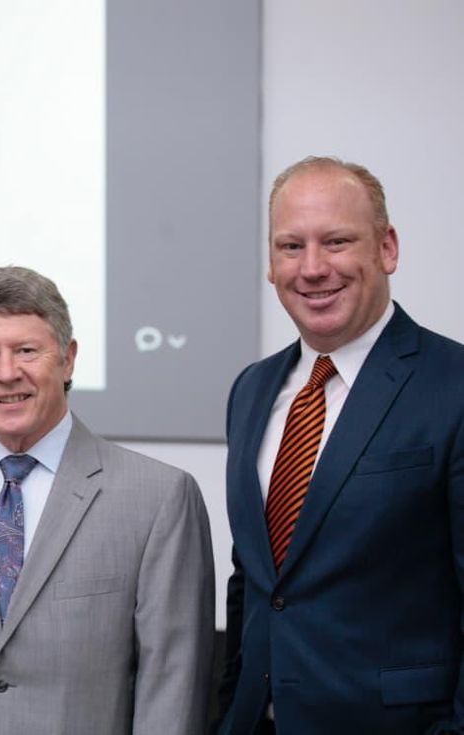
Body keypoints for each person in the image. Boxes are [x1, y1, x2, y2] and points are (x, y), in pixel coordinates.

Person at [0, 266, 215, 735]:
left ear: (69, 358)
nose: (6, 372)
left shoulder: (159, 498)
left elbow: (171, 693)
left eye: (27, 350)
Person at [217, 156, 464, 734]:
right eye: (290, 246)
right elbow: (252, 580)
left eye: (336, 241)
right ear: (271, 265)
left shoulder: (453, 385)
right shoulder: (251, 390)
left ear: (387, 248)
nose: (312, 268)